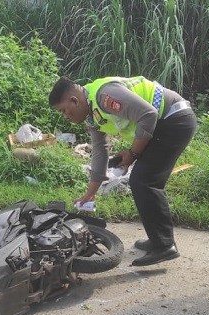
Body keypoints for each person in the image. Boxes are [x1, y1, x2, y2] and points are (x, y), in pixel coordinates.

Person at [48, 76, 197, 266]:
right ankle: (159, 240)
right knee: (145, 181)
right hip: (163, 124)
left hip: (173, 119)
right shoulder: (93, 114)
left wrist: (133, 153)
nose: (65, 116)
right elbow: (100, 153)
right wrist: (90, 194)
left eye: (63, 111)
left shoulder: (104, 96)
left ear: (74, 101)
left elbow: (148, 114)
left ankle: (165, 245)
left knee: (144, 181)